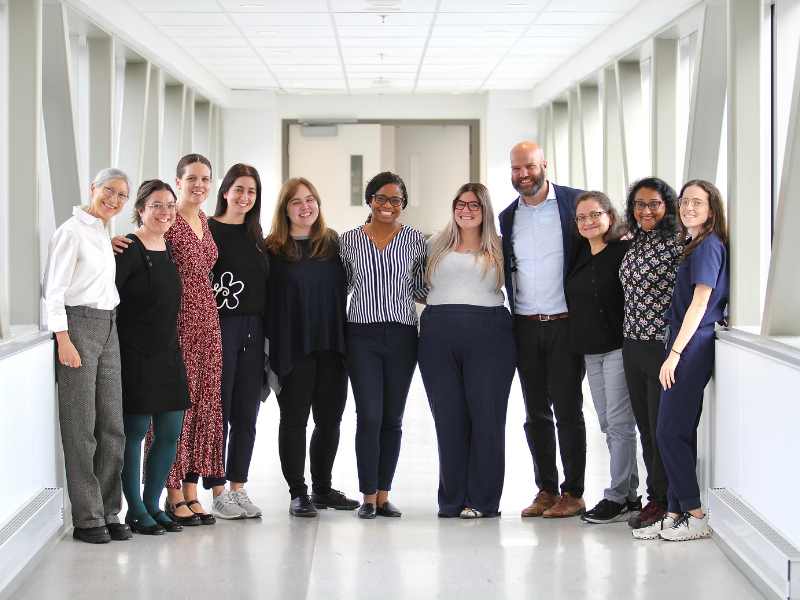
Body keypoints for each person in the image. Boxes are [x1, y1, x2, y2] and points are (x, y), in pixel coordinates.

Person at [634, 180, 728, 542]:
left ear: (711, 208)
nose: (688, 207)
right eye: (685, 201)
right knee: (679, 431)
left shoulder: (707, 247)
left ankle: (695, 512)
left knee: (668, 432)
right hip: (686, 341)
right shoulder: (693, 244)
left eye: (697, 202)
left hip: (691, 344)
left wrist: (674, 354)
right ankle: (674, 511)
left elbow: (700, 304)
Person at [42, 168, 132, 543]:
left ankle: (111, 510)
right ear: (93, 188)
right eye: (108, 191)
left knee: (112, 426)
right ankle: (87, 518)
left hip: (110, 326)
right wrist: (63, 339)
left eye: (122, 195)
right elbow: (54, 290)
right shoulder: (69, 232)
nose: (114, 199)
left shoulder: (100, 232)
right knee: (81, 427)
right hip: (78, 327)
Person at [498, 141, 587, 519]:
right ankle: (546, 490)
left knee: (568, 410)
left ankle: (575, 492)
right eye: (517, 169)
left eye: (529, 167)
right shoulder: (506, 217)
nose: (523, 175)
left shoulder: (575, 204)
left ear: (544, 165)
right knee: (535, 413)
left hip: (566, 324)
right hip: (525, 327)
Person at [418, 183, 516, 519]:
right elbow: (418, 287)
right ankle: (453, 499)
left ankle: (483, 500)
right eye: (460, 204)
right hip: (437, 333)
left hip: (489, 333)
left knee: (486, 419)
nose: (466, 210)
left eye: (474, 205)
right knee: (449, 420)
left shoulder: (502, 248)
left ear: (485, 210)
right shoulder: (434, 244)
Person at [265, 177, 358, 517]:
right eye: (296, 202)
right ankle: (297, 493)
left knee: (330, 420)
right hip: (293, 346)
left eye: (310, 199)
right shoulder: (271, 248)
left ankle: (321, 488)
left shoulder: (333, 243)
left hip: (333, 345)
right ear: (284, 209)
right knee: (294, 421)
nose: (305, 206)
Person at [339, 171, 428, 519]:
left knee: (392, 418)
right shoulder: (348, 241)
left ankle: (384, 495)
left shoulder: (416, 240)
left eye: (395, 200)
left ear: (403, 205)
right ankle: (367, 496)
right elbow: (340, 288)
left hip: (403, 335)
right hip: (361, 336)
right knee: (369, 415)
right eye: (381, 198)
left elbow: (421, 288)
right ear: (369, 200)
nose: (388, 205)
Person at [115, 180, 190, 535]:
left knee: (169, 432)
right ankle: (135, 509)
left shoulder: (169, 245)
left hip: (168, 352)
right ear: (141, 209)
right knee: (134, 434)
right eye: (157, 205)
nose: (165, 212)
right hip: (135, 353)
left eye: (170, 206)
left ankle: (154, 503)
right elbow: (105, 294)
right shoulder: (127, 247)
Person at [564, 191, 640, 524]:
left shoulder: (624, 251)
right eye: (581, 217)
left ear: (609, 215)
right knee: (610, 424)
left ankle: (616, 497)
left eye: (594, 214)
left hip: (618, 348)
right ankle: (632, 495)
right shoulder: (579, 253)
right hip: (590, 351)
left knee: (621, 426)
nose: (588, 222)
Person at [202, 164, 270, 519]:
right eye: (239, 189)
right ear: (225, 191)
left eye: (252, 192)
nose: (245, 197)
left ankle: (238, 486)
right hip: (219, 328)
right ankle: (216, 489)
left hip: (254, 330)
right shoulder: (207, 230)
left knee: (247, 411)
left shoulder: (257, 234)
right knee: (219, 412)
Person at [619, 177, 682, 529]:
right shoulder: (633, 243)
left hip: (660, 345)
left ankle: (664, 500)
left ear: (667, 206)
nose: (646, 210)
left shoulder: (678, 245)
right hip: (632, 344)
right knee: (645, 426)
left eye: (654, 204)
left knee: (661, 428)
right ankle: (654, 495)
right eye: (639, 204)